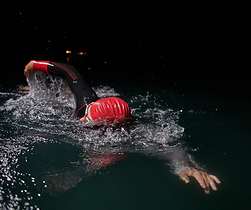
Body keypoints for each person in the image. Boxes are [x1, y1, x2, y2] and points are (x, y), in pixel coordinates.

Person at [24, 60, 220, 194]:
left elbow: (169, 148)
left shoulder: (133, 134)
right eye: (86, 115)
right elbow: (67, 70)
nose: (82, 120)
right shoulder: (86, 102)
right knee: (62, 99)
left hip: (110, 142)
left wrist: (185, 167)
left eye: (88, 120)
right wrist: (34, 65)